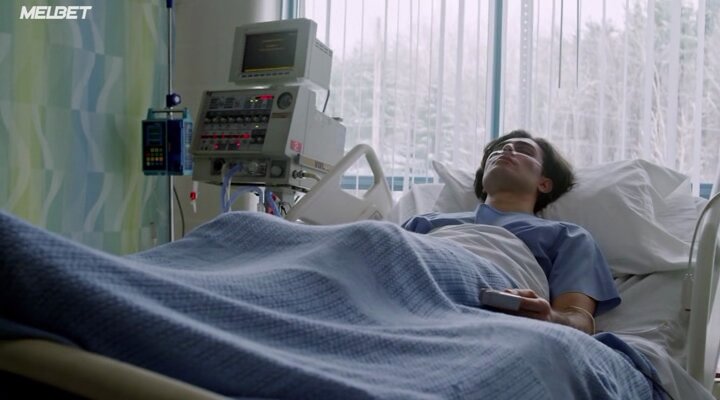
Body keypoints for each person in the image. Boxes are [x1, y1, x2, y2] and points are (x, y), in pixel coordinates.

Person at [402, 130, 620, 335]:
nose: (506, 150)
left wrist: (550, 318)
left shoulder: (567, 237)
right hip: (409, 297)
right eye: (500, 149)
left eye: (524, 150)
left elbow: (578, 318)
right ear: (483, 183)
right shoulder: (424, 223)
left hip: (490, 309)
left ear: (544, 184)